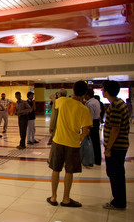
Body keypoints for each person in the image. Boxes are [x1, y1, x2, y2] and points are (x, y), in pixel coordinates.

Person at [47, 80, 92, 208]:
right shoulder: (84, 109)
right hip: (73, 144)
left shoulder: (63, 101)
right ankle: (66, 199)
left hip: (58, 141)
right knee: (69, 171)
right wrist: (80, 137)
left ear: (73, 91)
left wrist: (52, 97)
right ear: (84, 94)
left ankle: (53, 197)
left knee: (55, 169)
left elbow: (55, 101)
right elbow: (85, 131)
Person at [102, 80, 130, 210]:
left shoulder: (115, 106)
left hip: (116, 147)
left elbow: (115, 129)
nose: (102, 91)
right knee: (118, 173)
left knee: (114, 174)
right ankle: (120, 198)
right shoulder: (120, 103)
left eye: (103, 89)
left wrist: (108, 148)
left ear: (107, 91)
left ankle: (118, 201)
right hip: (120, 145)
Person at [84, 88, 102, 166]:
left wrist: (87, 128)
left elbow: (89, 117)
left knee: (92, 142)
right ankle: (97, 159)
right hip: (96, 122)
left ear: (88, 95)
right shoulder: (96, 101)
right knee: (96, 142)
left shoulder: (90, 104)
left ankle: (92, 159)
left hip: (92, 123)